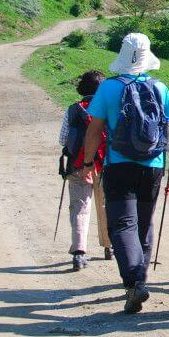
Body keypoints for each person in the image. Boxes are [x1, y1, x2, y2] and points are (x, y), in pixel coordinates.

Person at [80, 33, 169, 314]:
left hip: (119, 164)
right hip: (153, 166)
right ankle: (139, 280)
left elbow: (94, 130)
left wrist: (88, 162)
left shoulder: (109, 89)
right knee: (143, 223)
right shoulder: (160, 88)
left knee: (122, 225)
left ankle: (135, 282)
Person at [57, 70, 112, 271]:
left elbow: (63, 140)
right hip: (105, 164)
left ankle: (79, 252)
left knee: (80, 207)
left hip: (78, 165)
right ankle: (109, 246)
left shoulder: (73, 110)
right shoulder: (107, 109)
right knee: (106, 205)